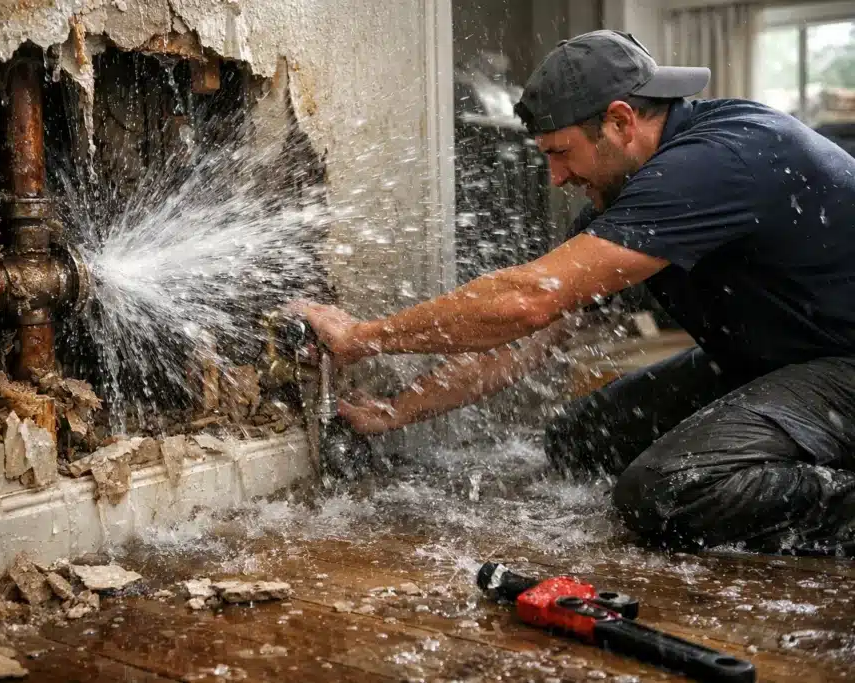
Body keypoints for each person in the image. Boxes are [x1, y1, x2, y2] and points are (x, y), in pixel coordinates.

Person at [293, 30, 855, 555]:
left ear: (620, 122)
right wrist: (397, 411)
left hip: (841, 363)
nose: (556, 177)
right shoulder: (627, 199)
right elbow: (525, 337)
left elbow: (527, 298)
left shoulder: (720, 158)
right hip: (771, 360)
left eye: (560, 153)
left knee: (664, 491)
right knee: (576, 441)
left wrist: (364, 338)